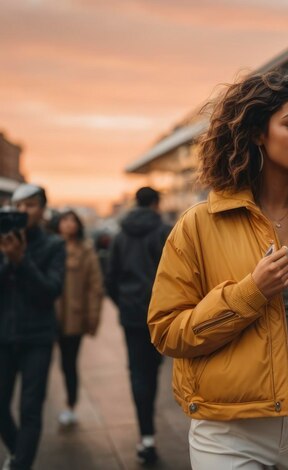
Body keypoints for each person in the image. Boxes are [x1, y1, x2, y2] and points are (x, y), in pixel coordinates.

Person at [147, 69, 288, 470]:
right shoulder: (198, 224)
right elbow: (167, 331)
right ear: (257, 132)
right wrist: (249, 293)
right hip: (229, 427)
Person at [0, 184, 66, 470]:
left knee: (30, 408)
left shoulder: (54, 245)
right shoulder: (2, 241)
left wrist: (21, 260)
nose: (22, 212)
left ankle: (20, 464)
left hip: (37, 337)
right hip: (3, 336)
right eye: (18, 206)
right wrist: (8, 259)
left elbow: (51, 291)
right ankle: (19, 455)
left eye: (29, 206)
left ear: (42, 210)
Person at [106, 186, 171, 465]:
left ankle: (146, 436)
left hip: (132, 313)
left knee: (136, 371)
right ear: (156, 203)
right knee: (153, 368)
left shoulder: (121, 236)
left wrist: (124, 303)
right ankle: (149, 431)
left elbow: (110, 277)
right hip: (161, 312)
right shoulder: (164, 231)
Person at [53, 209, 104, 427]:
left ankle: (70, 404)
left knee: (68, 363)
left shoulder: (86, 250)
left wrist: (92, 318)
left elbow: (95, 287)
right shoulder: (49, 247)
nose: (68, 225)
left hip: (73, 317)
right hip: (46, 316)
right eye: (64, 220)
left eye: (72, 221)